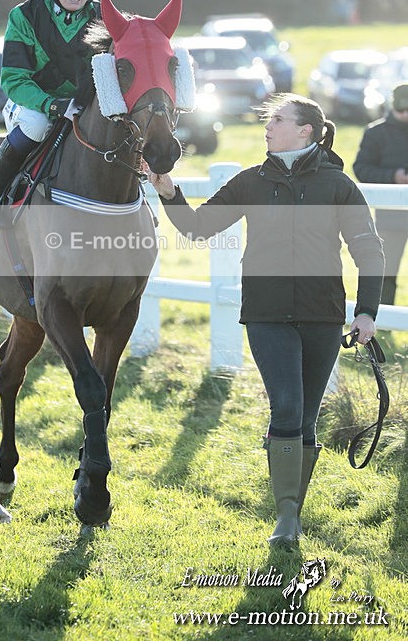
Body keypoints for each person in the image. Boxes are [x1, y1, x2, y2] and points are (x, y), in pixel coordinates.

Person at [146, 93, 384, 546]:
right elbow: (198, 228)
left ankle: (292, 512)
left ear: (305, 130)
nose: (268, 127)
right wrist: (169, 193)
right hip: (266, 313)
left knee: (306, 419)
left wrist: (367, 310)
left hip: (322, 316)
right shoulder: (250, 182)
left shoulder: (338, 185)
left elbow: (369, 250)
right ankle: (286, 518)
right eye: (268, 120)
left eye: (277, 119)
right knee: (288, 405)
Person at [0, 0, 104, 223]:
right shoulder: (24, 16)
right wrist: (53, 105)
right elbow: (14, 79)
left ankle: (137, 204)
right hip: (33, 104)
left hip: (85, 106)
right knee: (36, 125)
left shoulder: (106, 17)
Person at [353, 82, 408, 305]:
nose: (406, 114)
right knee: (386, 274)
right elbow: (361, 168)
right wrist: (394, 176)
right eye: (402, 109)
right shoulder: (376, 132)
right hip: (390, 217)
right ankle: (381, 317)